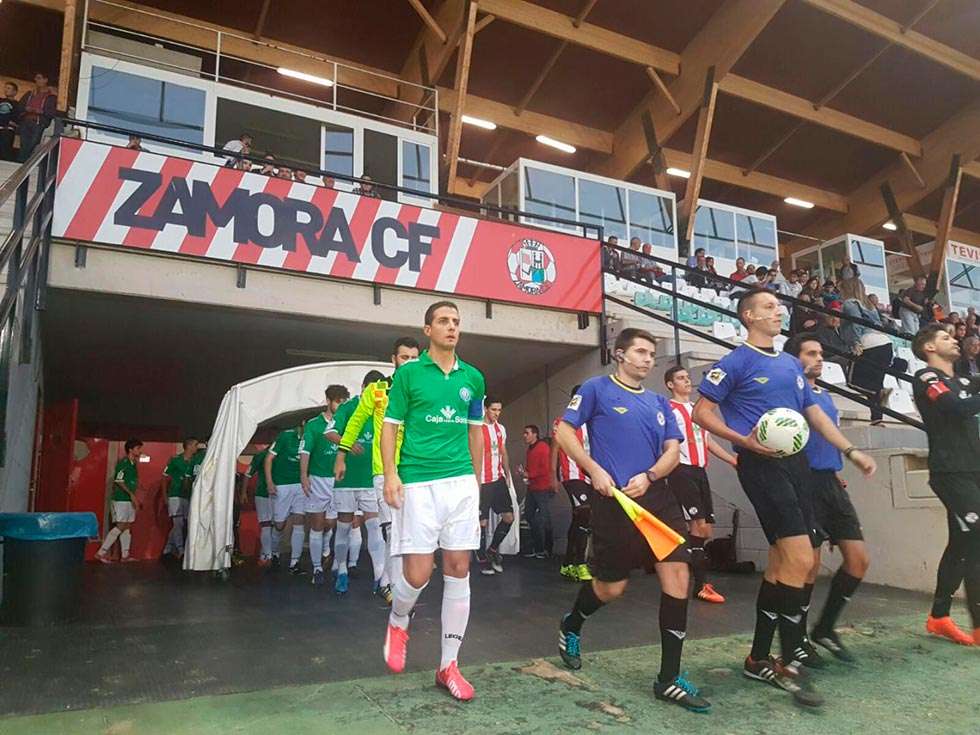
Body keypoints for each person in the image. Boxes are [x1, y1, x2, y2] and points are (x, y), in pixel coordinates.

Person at [693, 289, 876, 707]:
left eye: (779, 306)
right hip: (762, 466)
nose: (779, 312)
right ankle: (790, 663)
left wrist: (851, 450)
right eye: (770, 307)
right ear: (748, 316)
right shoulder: (735, 362)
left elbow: (813, 413)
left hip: (800, 467)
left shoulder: (792, 365)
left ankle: (759, 657)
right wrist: (746, 442)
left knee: (786, 562)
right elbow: (702, 413)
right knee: (798, 557)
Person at [555, 328, 709, 712]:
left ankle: (669, 678)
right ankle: (572, 623)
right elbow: (563, 432)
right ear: (619, 354)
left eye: (651, 353)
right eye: (639, 351)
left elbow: (673, 450)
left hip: (657, 499)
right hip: (614, 501)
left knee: (678, 575)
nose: (646, 359)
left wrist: (652, 475)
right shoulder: (595, 389)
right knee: (611, 589)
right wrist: (593, 470)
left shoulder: (660, 403)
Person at [381, 300, 486, 702]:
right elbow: (391, 428)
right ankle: (398, 618)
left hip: (460, 482)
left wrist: (474, 484)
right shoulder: (408, 375)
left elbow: (475, 433)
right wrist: (391, 475)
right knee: (420, 574)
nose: (451, 327)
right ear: (428, 330)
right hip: (419, 483)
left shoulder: (473, 378)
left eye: (456, 322)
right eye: (443, 321)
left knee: (459, 568)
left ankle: (448, 666)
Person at [784, 334, 871, 662]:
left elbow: (826, 439)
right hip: (803, 483)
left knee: (858, 559)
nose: (819, 358)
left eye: (820, 353)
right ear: (795, 359)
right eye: (811, 353)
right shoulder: (791, 395)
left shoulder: (827, 397)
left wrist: (836, 470)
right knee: (809, 565)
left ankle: (825, 628)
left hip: (831, 484)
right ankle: (798, 640)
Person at [335, 336, 421, 603]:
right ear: (393, 360)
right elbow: (355, 422)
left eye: (413, 358)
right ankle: (392, 586)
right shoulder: (378, 390)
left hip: (416, 471)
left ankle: (384, 580)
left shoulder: (422, 391)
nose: (408, 362)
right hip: (384, 471)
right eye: (404, 357)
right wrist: (342, 455)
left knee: (405, 530)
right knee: (392, 529)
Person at [911, 325, 980, 647]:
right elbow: (955, 407)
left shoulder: (965, 379)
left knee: (967, 543)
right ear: (928, 347)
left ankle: (943, 618)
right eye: (945, 337)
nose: (954, 340)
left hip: (974, 468)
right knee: (974, 537)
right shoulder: (926, 378)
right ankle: (942, 616)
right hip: (951, 471)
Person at [664, 366, 737, 604]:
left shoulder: (698, 410)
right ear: (670, 385)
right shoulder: (668, 409)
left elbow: (707, 441)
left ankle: (680, 565)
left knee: (704, 530)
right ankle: (700, 584)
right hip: (681, 471)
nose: (687, 381)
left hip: (699, 472)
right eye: (681, 378)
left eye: (687, 377)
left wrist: (732, 460)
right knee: (697, 525)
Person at [331, 372, 387, 595]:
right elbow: (331, 432)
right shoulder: (350, 407)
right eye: (369, 388)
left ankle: (379, 577)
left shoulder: (383, 406)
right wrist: (348, 444)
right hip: (347, 478)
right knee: (344, 526)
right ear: (363, 387)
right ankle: (342, 570)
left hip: (371, 477)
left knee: (375, 526)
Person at [299, 385, 350, 586]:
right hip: (318, 479)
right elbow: (305, 452)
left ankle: (330, 553)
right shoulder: (313, 425)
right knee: (317, 524)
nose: (341, 405)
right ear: (328, 401)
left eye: (343, 401)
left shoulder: (347, 421)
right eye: (337, 401)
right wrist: (304, 475)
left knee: (332, 523)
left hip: (339, 480)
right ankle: (317, 568)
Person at [840, 277, 895, 426]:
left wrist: (856, 342)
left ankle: (879, 392)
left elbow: (855, 322)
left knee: (852, 381)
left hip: (869, 344)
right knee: (875, 383)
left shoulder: (850, 303)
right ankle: (877, 418)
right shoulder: (869, 304)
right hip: (885, 344)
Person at [551, 388, 593, 582]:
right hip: (571, 474)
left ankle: (567, 563)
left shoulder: (592, 421)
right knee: (584, 512)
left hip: (589, 475)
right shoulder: (563, 421)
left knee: (580, 519)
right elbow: (555, 449)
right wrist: (553, 476)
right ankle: (579, 563)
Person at [477, 397, 514, 576]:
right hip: (483, 480)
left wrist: (508, 475)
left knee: (509, 517)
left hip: (498, 479)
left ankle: (492, 549)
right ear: (485, 409)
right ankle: (482, 558)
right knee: (481, 521)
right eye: (493, 410)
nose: (496, 414)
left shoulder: (501, 429)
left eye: (499, 410)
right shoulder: (476, 428)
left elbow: (503, 452)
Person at [265, 422, 306, 572]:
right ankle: (274, 552)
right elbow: (268, 459)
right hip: (282, 484)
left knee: (299, 520)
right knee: (279, 525)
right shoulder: (285, 436)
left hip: (300, 485)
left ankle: (295, 562)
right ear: (302, 423)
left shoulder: (313, 435)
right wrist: (270, 482)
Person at [96, 439, 143, 563]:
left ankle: (125, 555)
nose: (140, 451)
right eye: (138, 448)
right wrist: (131, 495)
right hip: (120, 499)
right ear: (131, 449)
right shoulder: (124, 463)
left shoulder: (134, 464)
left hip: (128, 500)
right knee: (121, 525)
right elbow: (119, 480)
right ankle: (101, 552)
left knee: (127, 526)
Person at [521, 425, 554, 558]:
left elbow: (546, 468)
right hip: (532, 487)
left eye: (527, 433)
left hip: (542, 488)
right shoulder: (530, 449)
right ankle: (538, 547)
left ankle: (546, 549)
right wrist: (526, 475)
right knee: (529, 515)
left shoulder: (543, 448)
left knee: (545, 518)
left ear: (535, 434)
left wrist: (529, 474)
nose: (524, 435)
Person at [161, 438, 197, 560]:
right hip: (175, 495)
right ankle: (180, 550)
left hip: (188, 496)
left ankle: (168, 547)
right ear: (189, 446)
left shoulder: (195, 461)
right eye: (195, 445)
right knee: (178, 522)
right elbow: (164, 478)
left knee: (181, 524)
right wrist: (165, 495)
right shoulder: (175, 460)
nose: (197, 447)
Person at [243, 447, 273, 566]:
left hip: (279, 495)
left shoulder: (283, 452)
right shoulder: (261, 455)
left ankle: (268, 554)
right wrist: (243, 492)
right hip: (262, 494)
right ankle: (266, 555)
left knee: (276, 526)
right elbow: (248, 474)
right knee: (266, 525)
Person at [17, 72, 56, 162]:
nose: (36, 80)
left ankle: (25, 162)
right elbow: (20, 106)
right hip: (26, 121)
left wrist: (42, 111)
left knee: (33, 143)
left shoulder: (51, 97)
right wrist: (26, 109)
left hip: (39, 123)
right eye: (36, 78)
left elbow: (52, 112)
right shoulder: (30, 94)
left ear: (45, 80)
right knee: (23, 143)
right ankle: (21, 162)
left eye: (39, 78)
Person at [0, 81, 18, 161]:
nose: (6, 90)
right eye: (5, 88)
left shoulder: (17, 104)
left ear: (14, 92)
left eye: (9, 88)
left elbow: (16, 118)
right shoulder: (1, 100)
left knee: (5, 149)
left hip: (8, 129)